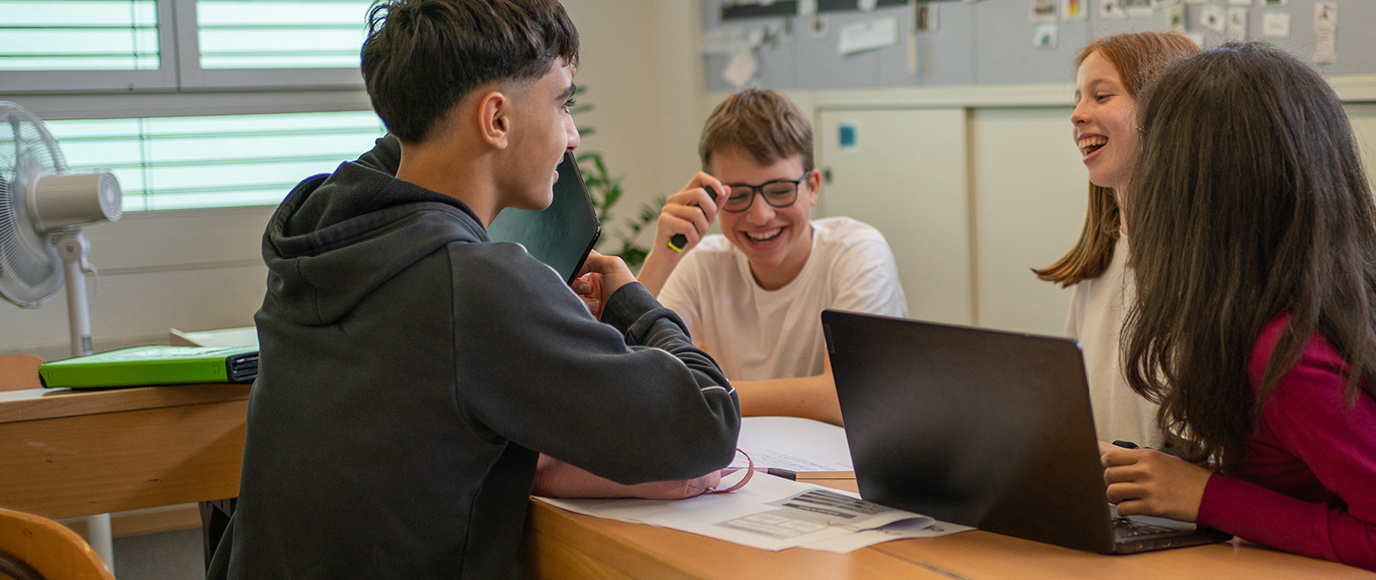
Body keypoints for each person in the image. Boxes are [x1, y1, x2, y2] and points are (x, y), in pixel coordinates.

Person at [209, 1, 740, 577]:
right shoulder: (476, 287)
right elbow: (707, 423)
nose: (573, 136)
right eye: (563, 103)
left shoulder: (320, 232)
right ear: (496, 120)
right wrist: (630, 301)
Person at [1098, 43, 1376, 580]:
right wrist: (1183, 477)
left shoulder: (1292, 358)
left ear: (1202, 198)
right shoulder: (1274, 319)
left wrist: (1206, 497)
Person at [635, 89, 907, 426]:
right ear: (711, 196)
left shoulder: (857, 254)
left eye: (779, 190)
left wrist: (708, 392)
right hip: (748, 465)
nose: (761, 215)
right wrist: (663, 256)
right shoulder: (702, 264)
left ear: (812, 187)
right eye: (737, 195)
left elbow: (843, 397)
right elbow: (623, 375)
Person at [1037, 31, 1200, 449]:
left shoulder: (1201, 271)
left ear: (1165, 112)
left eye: (1101, 96)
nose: (1077, 114)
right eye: (1077, 98)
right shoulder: (1100, 264)